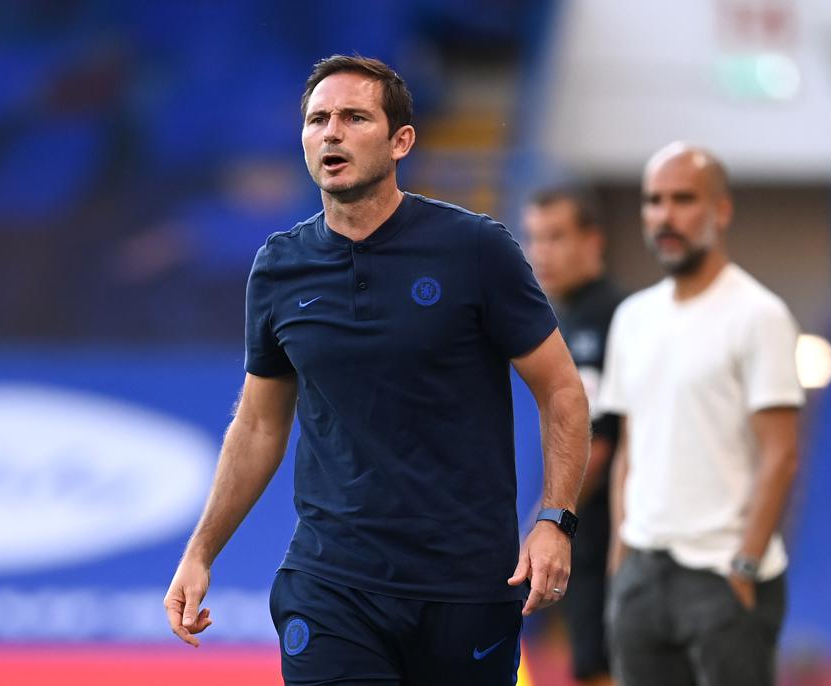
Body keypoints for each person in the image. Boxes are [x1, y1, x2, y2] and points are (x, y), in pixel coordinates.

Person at [162, 55, 591, 686]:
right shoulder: (279, 267)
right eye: (318, 120)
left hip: (466, 583)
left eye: (354, 117)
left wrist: (555, 521)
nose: (331, 132)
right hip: (331, 582)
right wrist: (200, 552)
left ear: (401, 142)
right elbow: (257, 425)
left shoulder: (476, 249)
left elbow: (561, 390)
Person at [599, 142, 804, 686]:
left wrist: (745, 565)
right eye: (653, 200)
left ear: (721, 210)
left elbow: (781, 454)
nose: (665, 215)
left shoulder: (759, 315)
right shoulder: (633, 318)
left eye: (683, 199)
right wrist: (621, 561)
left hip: (724, 574)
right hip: (643, 574)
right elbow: (630, 450)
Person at [523, 186, 624, 686]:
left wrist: (548, 522)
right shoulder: (566, 319)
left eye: (557, 237)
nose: (542, 252)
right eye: (535, 238)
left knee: (601, 664)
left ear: (593, 241)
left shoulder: (607, 318)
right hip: (591, 528)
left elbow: (598, 444)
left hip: (609, 530)